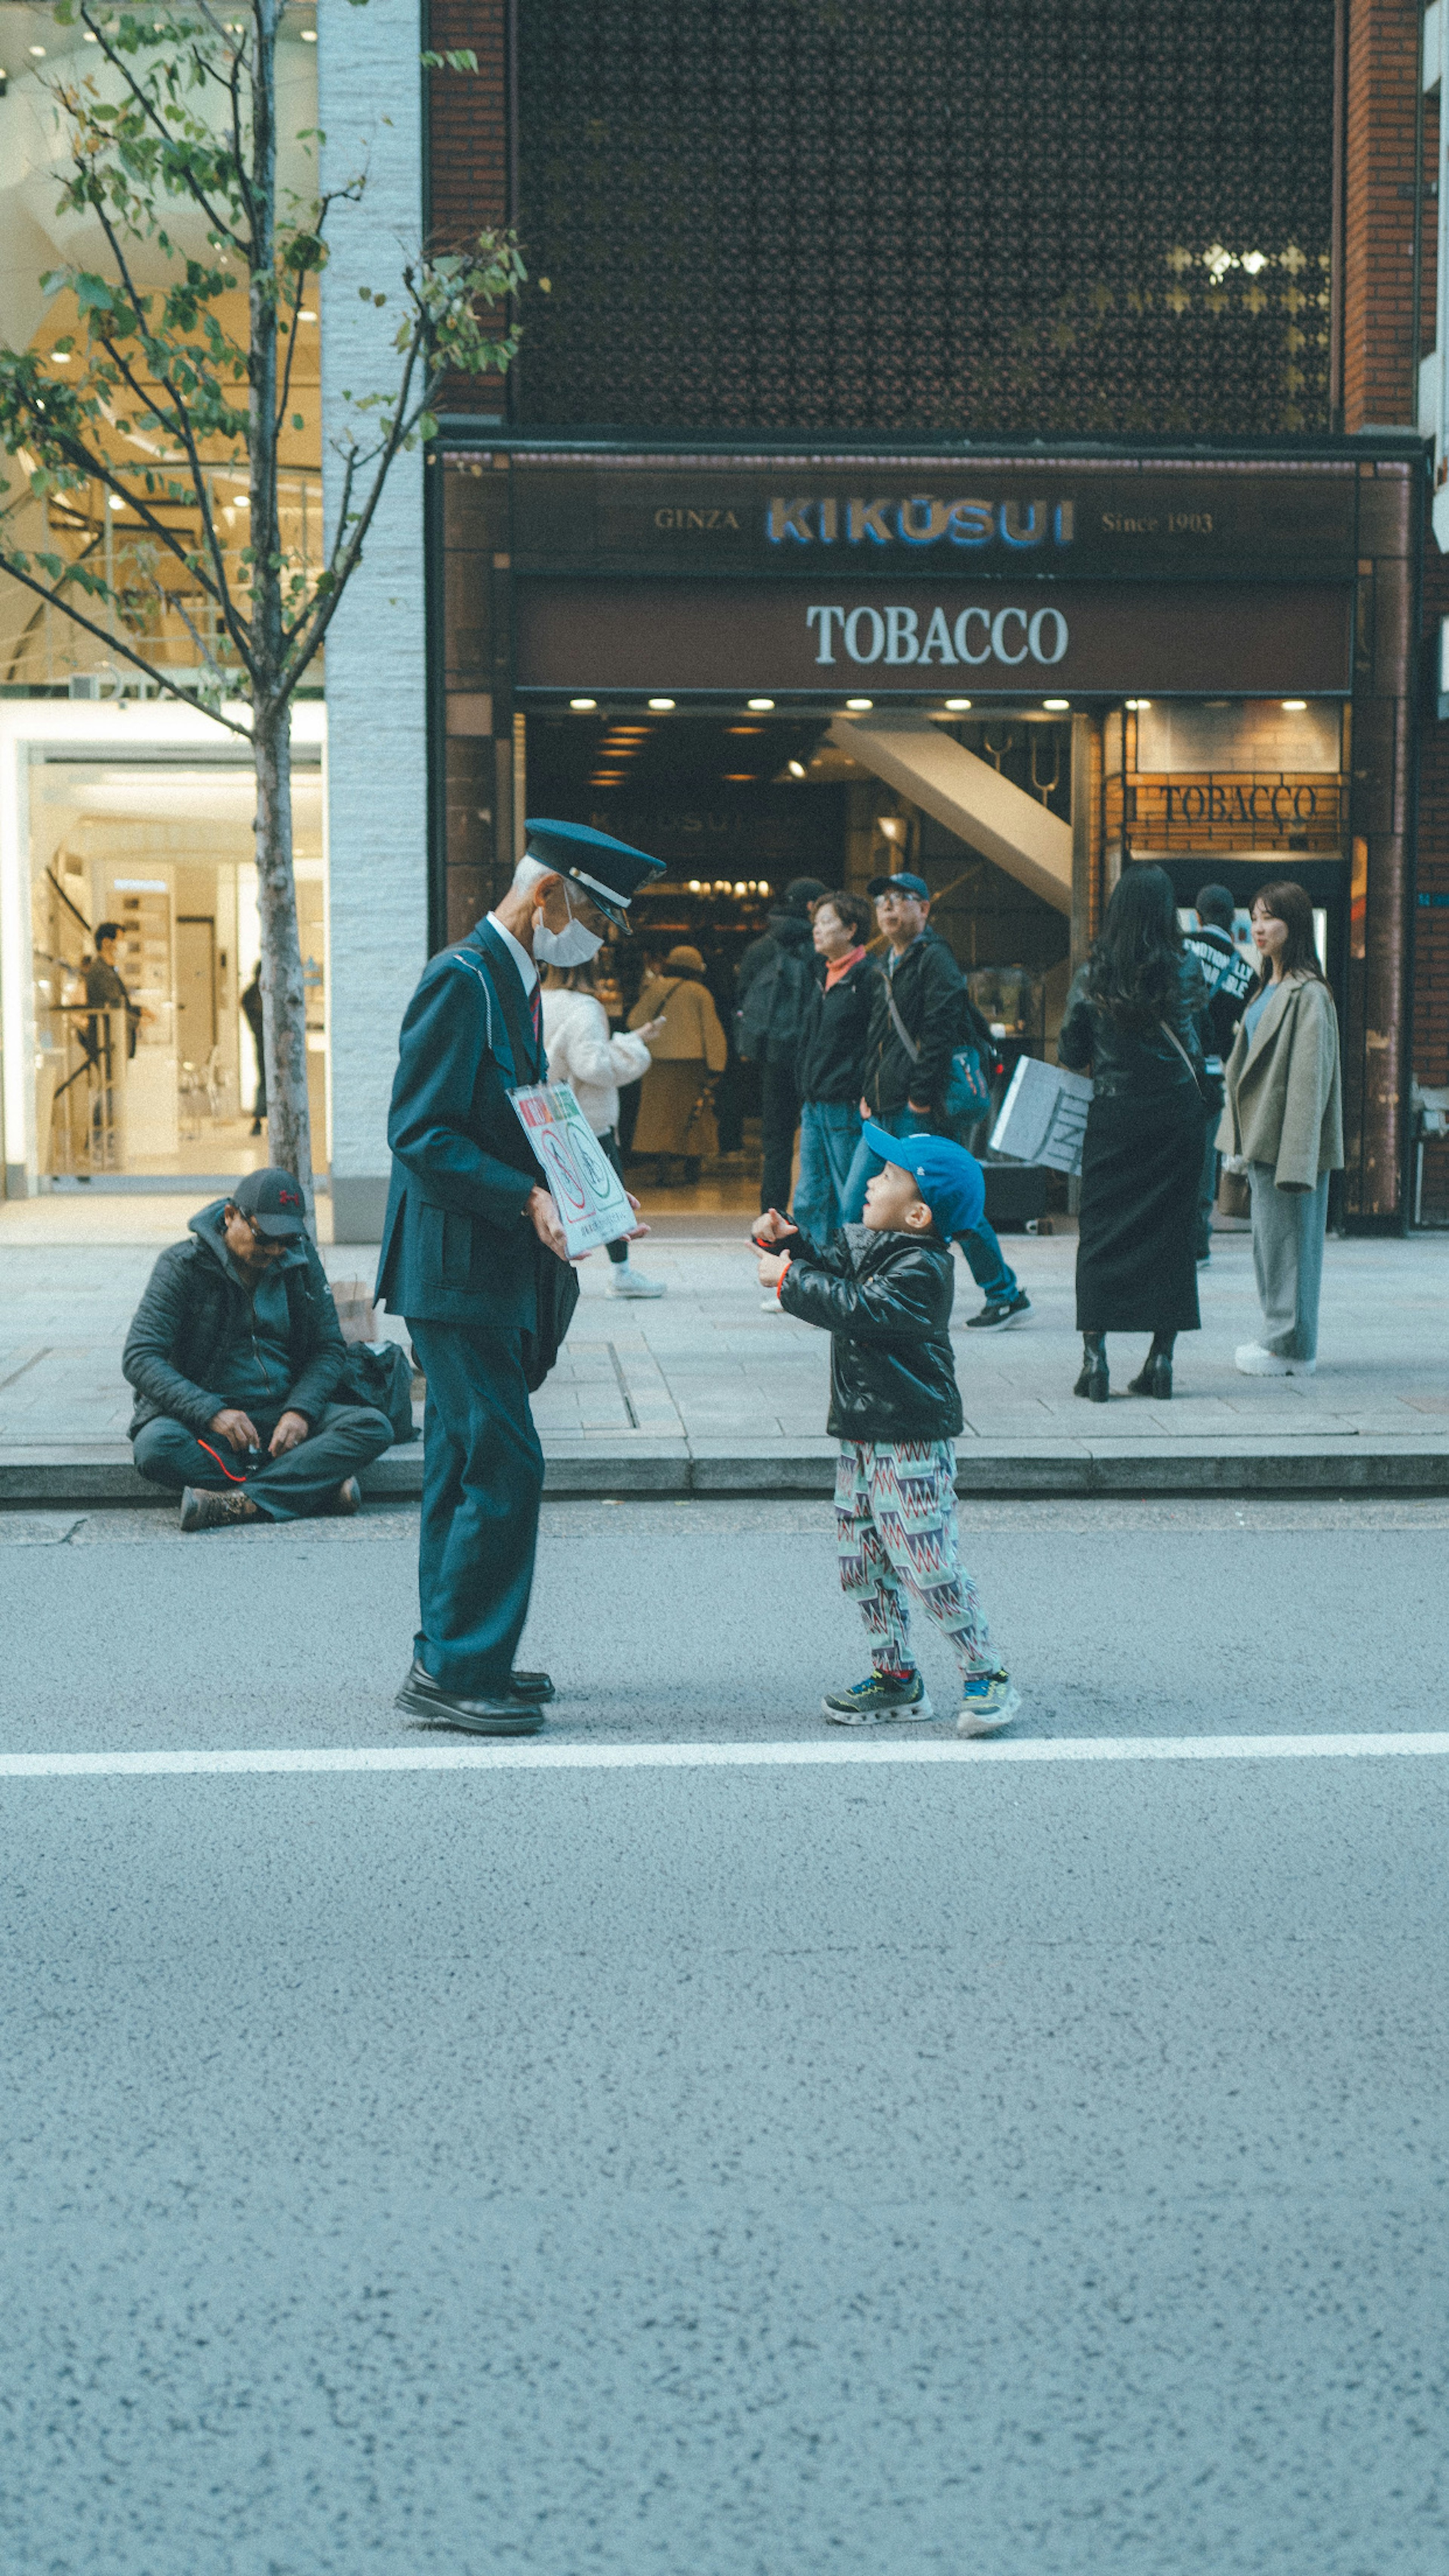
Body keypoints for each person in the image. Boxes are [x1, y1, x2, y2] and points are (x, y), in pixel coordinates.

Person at [377, 820, 664, 1736]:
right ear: (546, 896)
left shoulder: (513, 980)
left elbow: (517, 1114)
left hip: (479, 1262)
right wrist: (527, 1198)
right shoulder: (461, 980)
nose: (598, 941)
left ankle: (460, 1653)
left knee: (464, 1461)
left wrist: (586, 1195)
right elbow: (419, 1134)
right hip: (455, 1268)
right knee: (502, 1462)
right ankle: (457, 1670)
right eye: (594, 918)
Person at [753, 1127, 1020, 1736]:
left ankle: (987, 1672)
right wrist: (791, 1241)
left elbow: (858, 1307)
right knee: (861, 1561)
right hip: (863, 1433)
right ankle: (895, 1675)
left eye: (889, 1176)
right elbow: (836, 1266)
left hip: (911, 1437)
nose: (872, 1179)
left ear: (919, 1213)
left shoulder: (924, 1269)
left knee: (925, 1560)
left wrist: (787, 1279)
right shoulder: (878, 1245)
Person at [123, 1166, 394, 1530]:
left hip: (283, 1413)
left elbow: (329, 1347)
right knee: (155, 1448)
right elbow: (140, 1357)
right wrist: (213, 1413)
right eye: (265, 1238)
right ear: (231, 1216)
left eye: (286, 1239)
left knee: (372, 1427)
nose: (276, 1250)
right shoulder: (181, 1266)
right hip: (209, 1422)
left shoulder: (299, 1259)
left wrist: (300, 1411)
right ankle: (307, 1488)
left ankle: (240, 1502)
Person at [842, 870, 1031, 1332]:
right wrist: (868, 1090)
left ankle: (1004, 1293)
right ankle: (857, 1291)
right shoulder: (887, 962)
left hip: (916, 1108)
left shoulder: (935, 960)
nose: (888, 908)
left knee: (949, 1205)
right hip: (884, 1105)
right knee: (854, 1202)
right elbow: (878, 1036)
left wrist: (921, 1099)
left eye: (900, 899)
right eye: (883, 900)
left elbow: (941, 1031)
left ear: (923, 909)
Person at [1057, 864, 1211, 1403]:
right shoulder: (1186, 967)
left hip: (1115, 1118)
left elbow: (1070, 1051)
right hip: (1177, 1117)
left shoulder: (1095, 971)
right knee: (1172, 1237)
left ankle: (1095, 1360)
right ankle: (1160, 1360)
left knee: (1100, 1234)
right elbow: (1198, 1033)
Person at [1219, 880, 1343, 1378]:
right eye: (1254, 915)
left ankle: (1294, 1346)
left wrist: (1298, 1156)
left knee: (1293, 1245)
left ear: (1294, 924)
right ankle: (1280, 1334)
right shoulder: (1265, 986)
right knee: (1272, 1245)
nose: (1259, 926)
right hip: (1261, 1138)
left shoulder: (1309, 994)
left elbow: (1310, 1083)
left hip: (1288, 1141)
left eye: (1270, 916)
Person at [543, 957, 668, 1298]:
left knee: (554, 1196)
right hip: (585, 1117)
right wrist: (633, 1053)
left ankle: (554, 1271)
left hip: (546, 1116)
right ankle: (622, 1272)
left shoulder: (536, 999)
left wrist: (633, 1038)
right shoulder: (585, 1007)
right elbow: (592, 1064)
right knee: (610, 1194)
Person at [734, 875, 829, 1211]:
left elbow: (742, 1000)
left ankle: (771, 1219)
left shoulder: (759, 949)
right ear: (810, 907)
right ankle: (816, 1219)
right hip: (816, 1057)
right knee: (821, 1137)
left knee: (775, 1142)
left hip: (774, 1056)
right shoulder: (822, 948)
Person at [792, 888, 874, 1240]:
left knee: (849, 1199)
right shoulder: (822, 976)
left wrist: (867, 1090)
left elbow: (876, 1044)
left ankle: (852, 1275)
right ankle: (812, 1279)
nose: (817, 930)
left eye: (827, 922)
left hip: (847, 1104)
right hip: (815, 1104)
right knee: (810, 1197)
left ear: (851, 929)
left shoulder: (868, 978)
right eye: (816, 922)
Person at [1183, 883, 1256, 1263]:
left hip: (1174, 1071)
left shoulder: (1180, 949)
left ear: (1197, 916)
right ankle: (1199, 1241)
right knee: (1204, 1164)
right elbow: (1250, 1028)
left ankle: (1169, 1237)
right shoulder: (1244, 970)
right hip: (1212, 1074)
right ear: (1234, 920)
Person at [627, 944, 728, 1183]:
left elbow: (634, 1021)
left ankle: (663, 1170)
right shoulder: (700, 993)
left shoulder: (657, 989)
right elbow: (711, 1031)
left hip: (658, 1063)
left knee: (660, 1117)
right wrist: (718, 1064)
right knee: (693, 1117)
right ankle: (691, 1169)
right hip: (692, 1063)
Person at [240, 963, 267, 1135]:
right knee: (267, 1079)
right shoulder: (257, 994)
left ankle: (260, 1119)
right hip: (264, 1041)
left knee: (264, 1079)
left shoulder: (251, 994)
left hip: (261, 1040)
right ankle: (260, 1119)